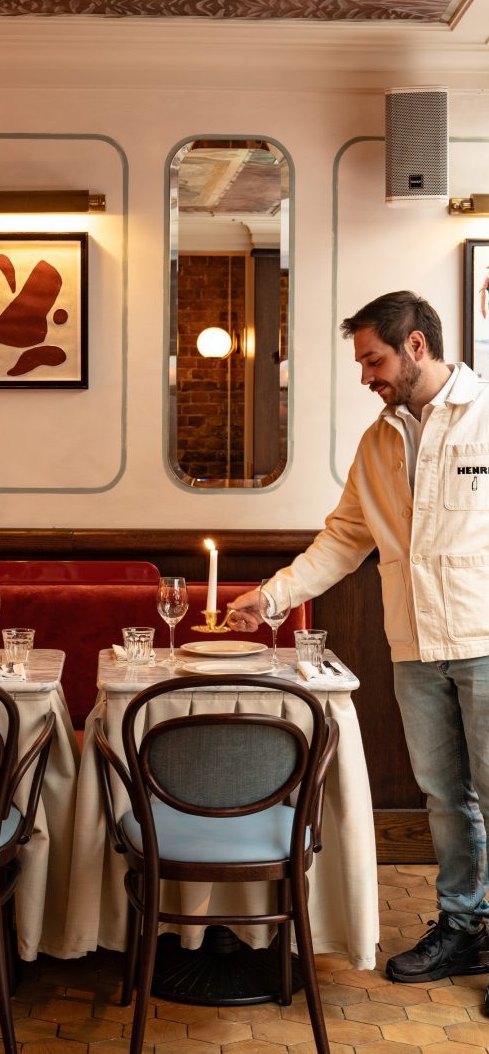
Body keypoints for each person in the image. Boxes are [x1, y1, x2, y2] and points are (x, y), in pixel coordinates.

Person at [228, 290, 489, 1002]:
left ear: (415, 346)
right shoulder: (378, 442)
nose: (367, 374)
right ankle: (465, 925)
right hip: (413, 643)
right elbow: (344, 537)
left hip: (486, 640)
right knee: (444, 796)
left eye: (373, 359)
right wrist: (272, 595)